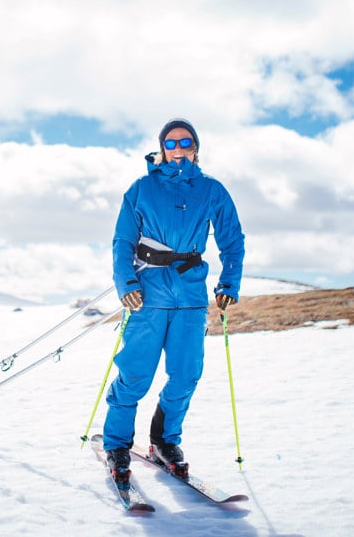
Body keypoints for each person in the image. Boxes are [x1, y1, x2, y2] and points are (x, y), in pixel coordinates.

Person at [103, 118, 245, 476]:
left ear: (196, 147)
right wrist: (126, 283)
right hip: (148, 294)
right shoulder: (141, 188)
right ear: (161, 148)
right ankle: (117, 445)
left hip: (191, 294)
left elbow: (232, 238)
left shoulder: (211, 189)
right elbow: (123, 241)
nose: (178, 148)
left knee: (186, 374)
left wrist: (229, 283)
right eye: (171, 143)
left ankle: (164, 440)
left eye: (185, 142)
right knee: (135, 374)